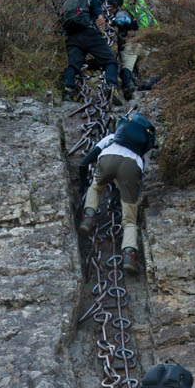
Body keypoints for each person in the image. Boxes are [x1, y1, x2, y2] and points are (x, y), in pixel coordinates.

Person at [78, 112, 155, 273]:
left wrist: (83, 182)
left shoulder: (111, 138)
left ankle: (88, 217)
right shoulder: (142, 154)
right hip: (132, 165)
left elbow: (85, 163)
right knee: (130, 220)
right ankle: (129, 256)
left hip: (108, 157)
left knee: (95, 187)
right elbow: (136, 182)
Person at [61, 0, 119, 97]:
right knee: (110, 60)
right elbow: (98, 14)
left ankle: (68, 89)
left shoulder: (67, 0)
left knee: (73, 64)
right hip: (90, 34)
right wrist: (100, 18)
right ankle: (111, 86)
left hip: (72, 37)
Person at [114, 0, 157, 100]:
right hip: (146, 45)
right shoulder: (142, 10)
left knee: (127, 67)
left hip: (132, 45)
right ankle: (146, 87)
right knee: (139, 67)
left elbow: (121, 23)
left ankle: (129, 89)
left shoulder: (122, 13)